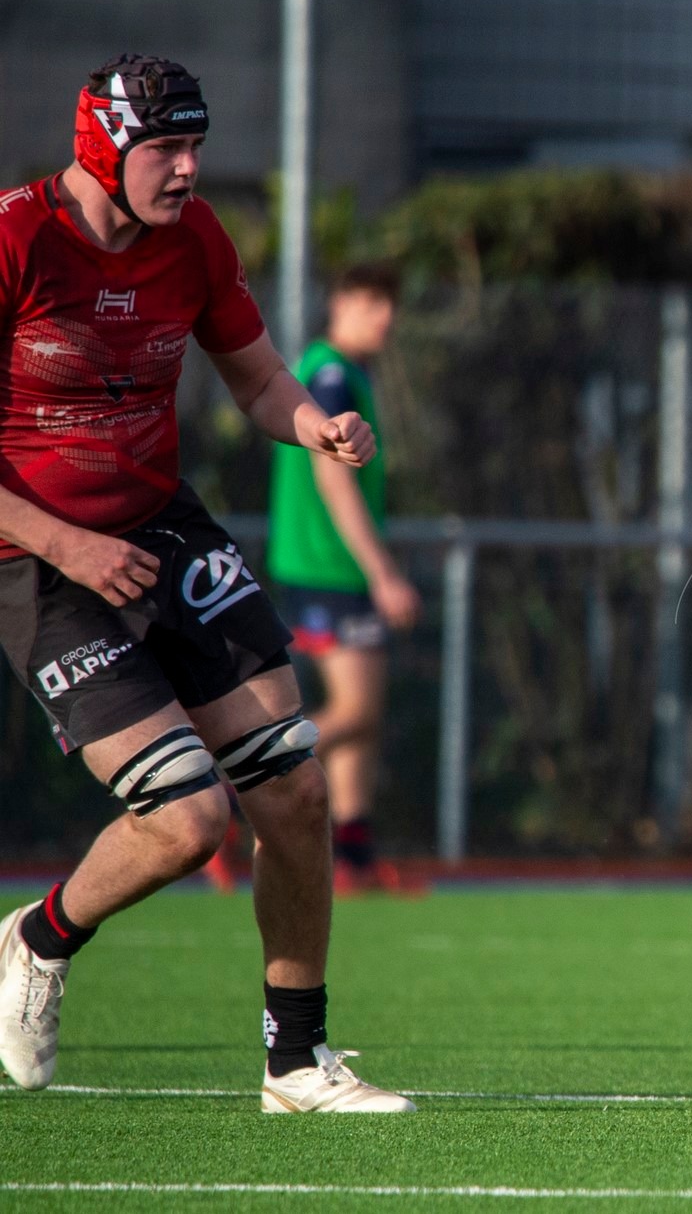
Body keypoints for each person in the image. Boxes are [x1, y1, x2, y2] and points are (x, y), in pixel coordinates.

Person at [0, 55, 412, 1112]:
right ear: (104, 147)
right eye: (167, 149)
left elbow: (259, 378)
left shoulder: (195, 241)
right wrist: (68, 546)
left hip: (162, 528)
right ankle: (40, 938)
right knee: (188, 821)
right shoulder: (14, 239)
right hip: (35, 559)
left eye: (196, 146)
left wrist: (314, 426)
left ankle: (295, 1062)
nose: (188, 169)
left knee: (296, 787)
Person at [262, 262, 421, 896]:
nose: (386, 317)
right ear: (339, 303)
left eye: (390, 304)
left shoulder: (346, 372)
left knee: (366, 714)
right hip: (327, 567)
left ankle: (354, 854)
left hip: (334, 568)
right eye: (371, 302)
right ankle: (245, 785)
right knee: (356, 710)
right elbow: (333, 474)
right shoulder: (329, 374)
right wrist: (383, 572)